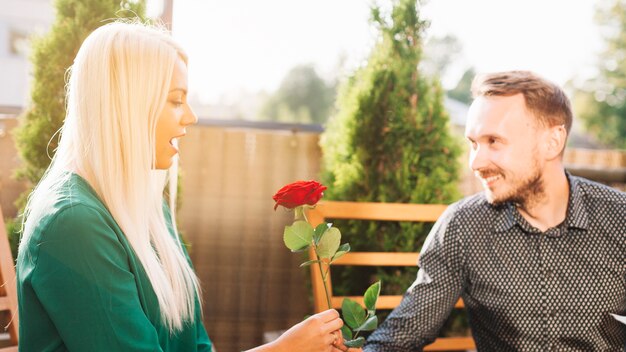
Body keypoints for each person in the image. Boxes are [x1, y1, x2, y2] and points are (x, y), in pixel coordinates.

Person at [16, 20, 356, 352]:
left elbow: (197, 346)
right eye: (176, 100)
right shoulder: (72, 224)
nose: (191, 116)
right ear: (129, 105)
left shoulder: (147, 209)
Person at [364, 71, 626, 351]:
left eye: (494, 141)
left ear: (552, 141)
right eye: (473, 144)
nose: (475, 162)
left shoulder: (619, 218)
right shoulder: (463, 227)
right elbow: (401, 335)